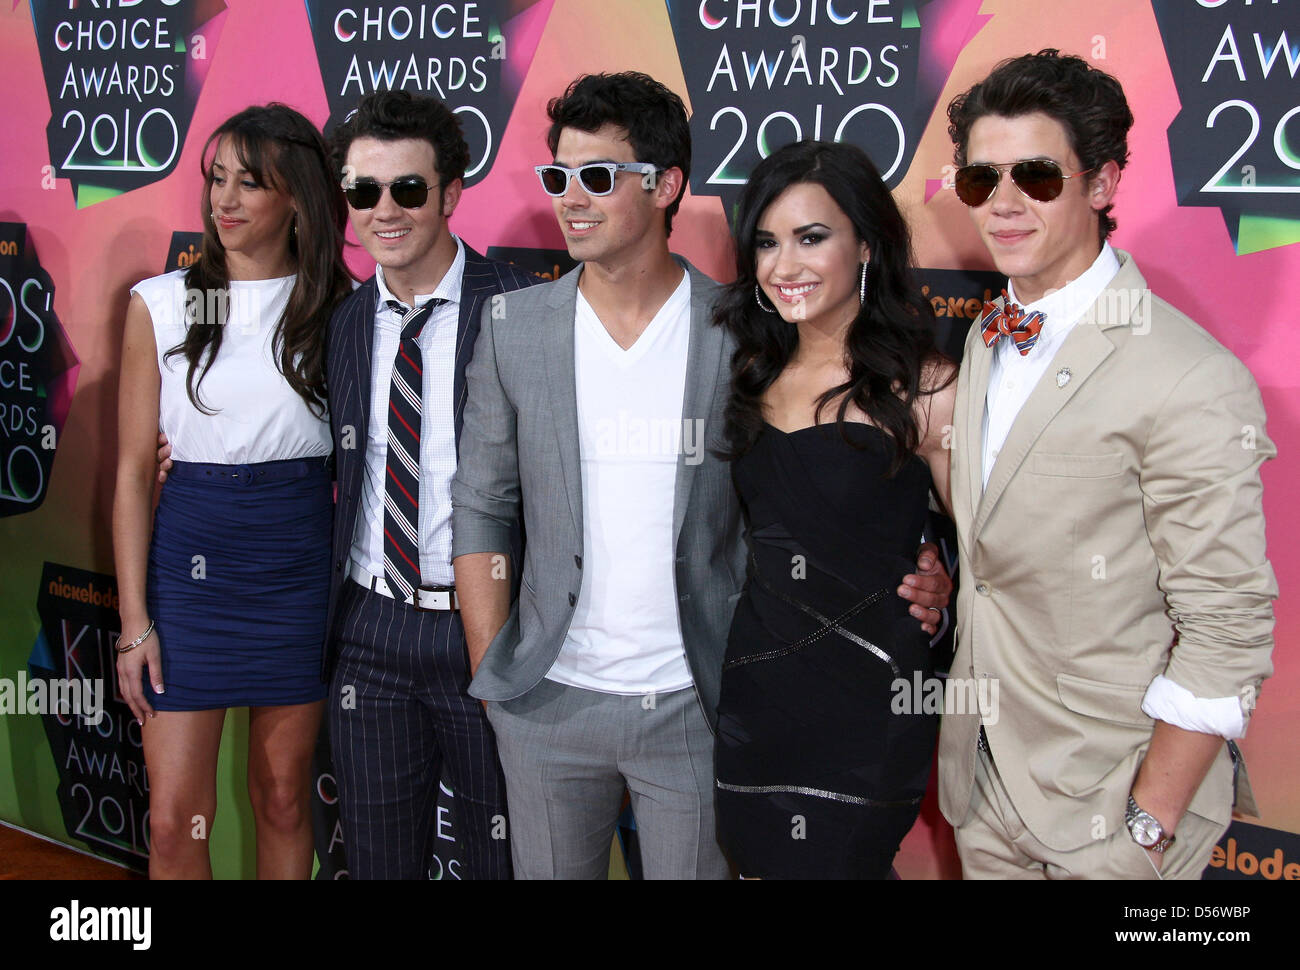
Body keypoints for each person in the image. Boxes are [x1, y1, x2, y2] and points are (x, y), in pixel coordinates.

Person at [451, 72, 952, 879]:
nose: (570, 200)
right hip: (544, 704)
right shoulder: (516, 329)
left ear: (667, 185)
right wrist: (495, 675)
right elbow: (480, 503)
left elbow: (827, 492)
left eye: (598, 177)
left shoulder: (744, 335)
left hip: (699, 702)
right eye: (557, 178)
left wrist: (934, 574)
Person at [937, 50, 1276, 879]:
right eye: (981, 179)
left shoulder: (1189, 375)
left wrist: (1145, 832)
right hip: (984, 793)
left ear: (1102, 184)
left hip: (1112, 811)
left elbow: (1227, 627)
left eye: (1038, 176)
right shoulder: (987, 336)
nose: (1004, 204)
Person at [113, 104, 354, 879]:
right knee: (173, 820)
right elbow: (128, 475)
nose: (225, 199)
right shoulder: (159, 303)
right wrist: (131, 625)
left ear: (298, 198)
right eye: (217, 178)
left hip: (297, 576)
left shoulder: (340, 310)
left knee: (285, 798)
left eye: (250, 182)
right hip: (189, 578)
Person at [711, 139, 956, 879]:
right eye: (766, 242)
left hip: (872, 699)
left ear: (868, 246)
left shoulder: (929, 386)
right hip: (759, 688)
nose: (785, 266)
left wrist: (941, 590)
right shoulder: (743, 371)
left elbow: (992, 550)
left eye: (811, 237)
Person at [322, 90, 536, 879]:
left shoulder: (520, 310)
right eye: (363, 191)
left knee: (499, 861)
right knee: (378, 861)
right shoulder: (342, 323)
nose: (385, 210)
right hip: (370, 633)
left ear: (450, 193)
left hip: (489, 630)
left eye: (408, 189)